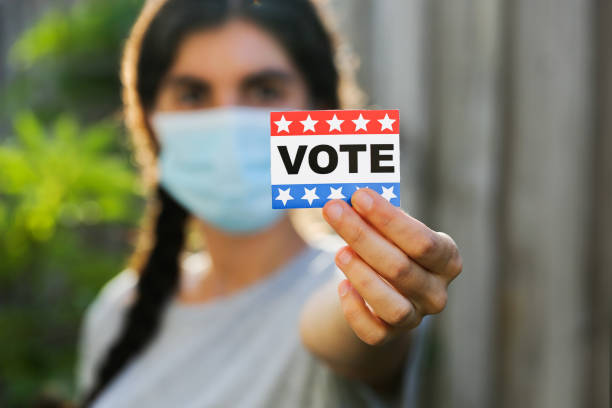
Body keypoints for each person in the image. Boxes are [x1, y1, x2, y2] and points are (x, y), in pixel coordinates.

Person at [75, 0, 463, 407]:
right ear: (151, 120)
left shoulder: (344, 281)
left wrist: (377, 294)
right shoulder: (114, 314)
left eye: (264, 90)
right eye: (192, 94)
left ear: (320, 113)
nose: (228, 122)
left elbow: (345, 331)